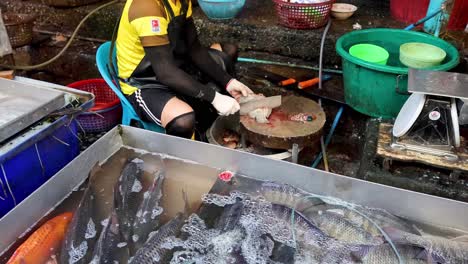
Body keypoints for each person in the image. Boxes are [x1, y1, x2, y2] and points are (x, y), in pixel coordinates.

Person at [115, 0, 253, 139]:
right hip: (144, 81)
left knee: (227, 52)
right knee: (183, 120)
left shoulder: (181, 1)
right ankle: (180, 155)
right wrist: (214, 97)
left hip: (173, 62)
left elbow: (194, 48)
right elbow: (165, 73)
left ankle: (211, 120)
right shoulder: (146, 7)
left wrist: (228, 81)